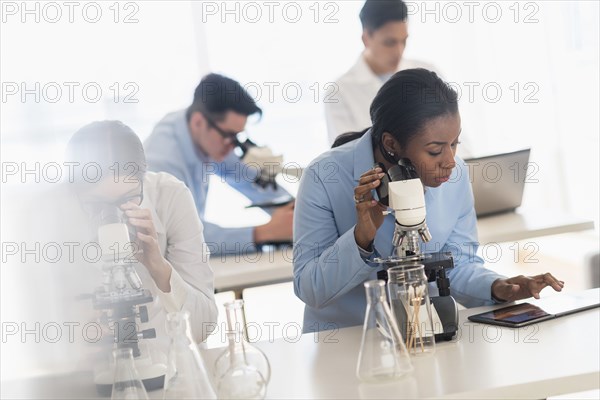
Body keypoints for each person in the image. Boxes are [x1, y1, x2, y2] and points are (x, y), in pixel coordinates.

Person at [294, 69, 564, 332]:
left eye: (455, 144)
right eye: (435, 151)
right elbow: (309, 288)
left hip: (427, 335)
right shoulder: (324, 176)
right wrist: (360, 239)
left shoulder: (455, 176)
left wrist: (498, 287)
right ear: (391, 144)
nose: (449, 161)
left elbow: (460, 265)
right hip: (348, 345)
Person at [144, 74, 294, 256]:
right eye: (229, 136)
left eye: (237, 137)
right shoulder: (163, 163)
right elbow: (181, 237)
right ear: (199, 122)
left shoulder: (207, 134)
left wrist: (298, 210)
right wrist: (265, 232)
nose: (233, 147)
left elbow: (246, 178)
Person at [325, 0, 437, 145]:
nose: (399, 51)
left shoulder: (429, 75)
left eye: (404, 41)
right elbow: (346, 155)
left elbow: (457, 142)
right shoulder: (339, 92)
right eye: (389, 42)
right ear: (366, 38)